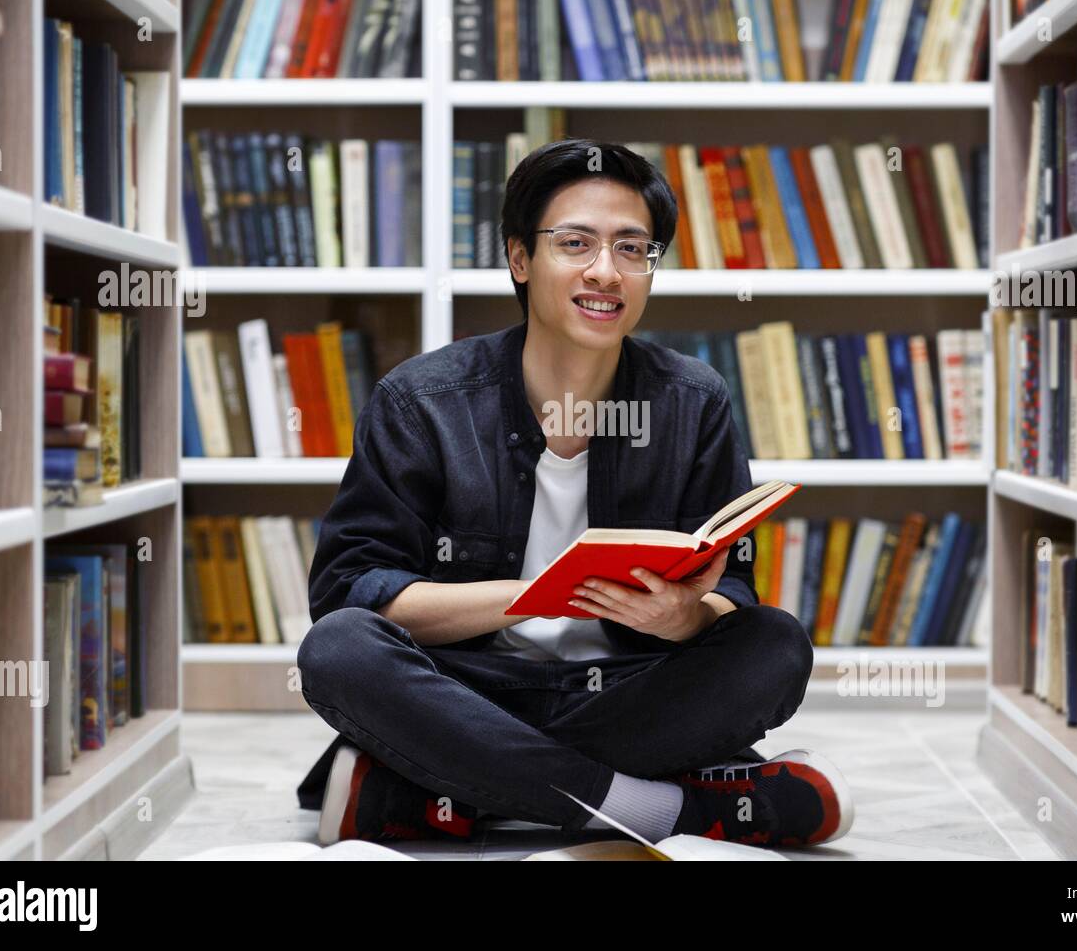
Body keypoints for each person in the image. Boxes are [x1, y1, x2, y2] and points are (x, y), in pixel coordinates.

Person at [294, 138, 853, 850]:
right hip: (466, 688)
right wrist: (540, 593)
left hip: (628, 689)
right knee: (340, 650)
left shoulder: (693, 400)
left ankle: (443, 787)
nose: (605, 271)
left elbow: (731, 598)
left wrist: (681, 618)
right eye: (576, 243)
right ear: (521, 259)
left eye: (632, 248)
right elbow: (352, 593)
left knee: (775, 645)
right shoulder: (423, 400)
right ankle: (664, 810)